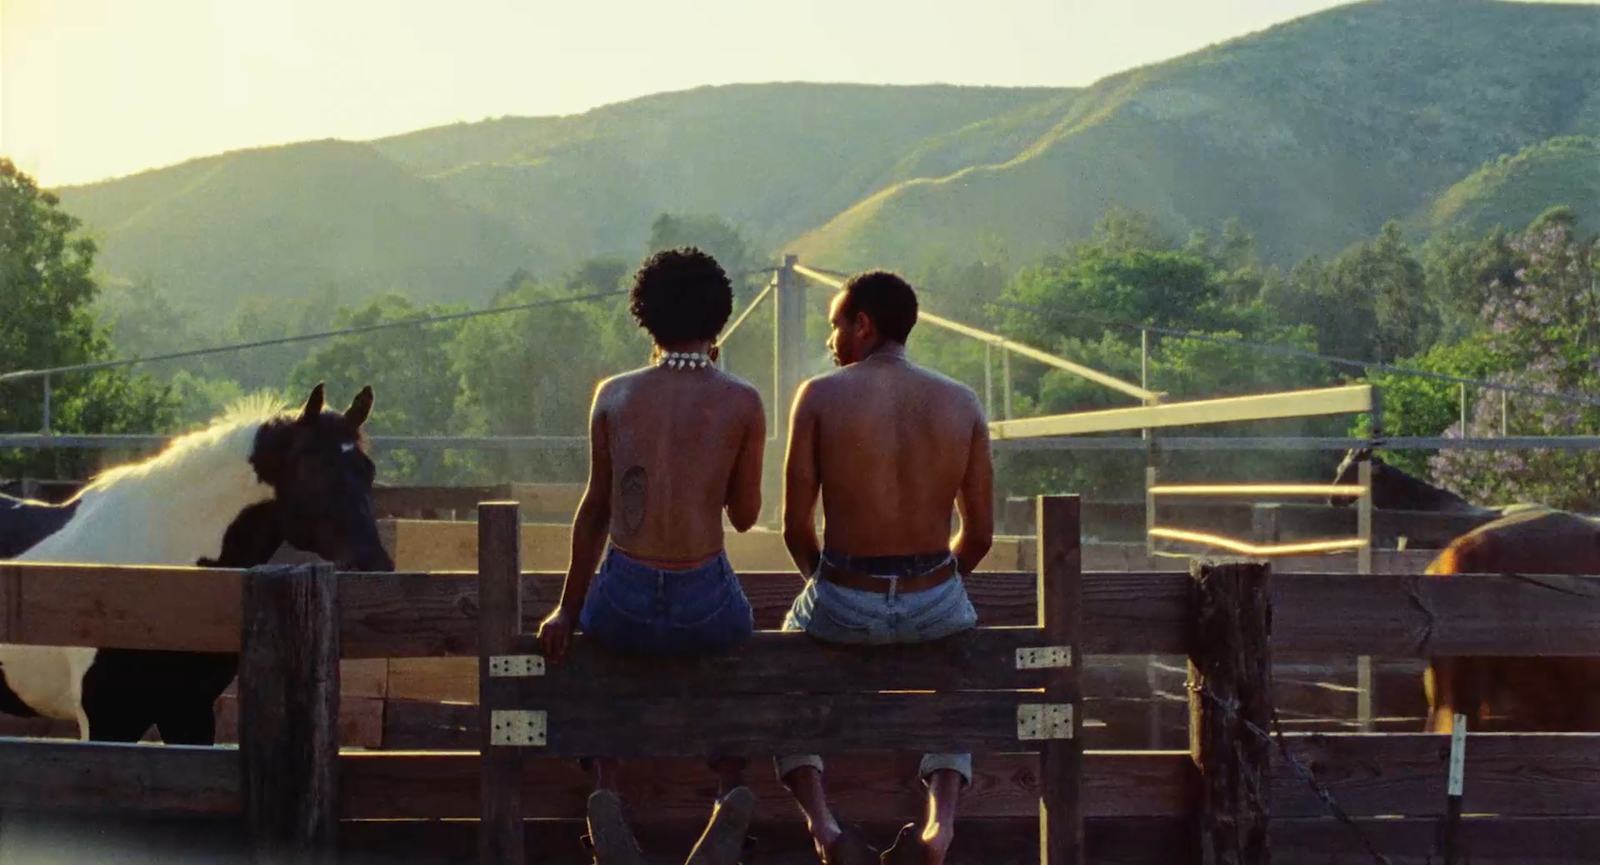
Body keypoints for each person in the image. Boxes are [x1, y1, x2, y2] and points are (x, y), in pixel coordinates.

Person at [536, 247, 767, 865]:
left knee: (598, 654)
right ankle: (727, 791)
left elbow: (595, 510)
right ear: (720, 318)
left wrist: (566, 610)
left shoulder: (613, 395)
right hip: (705, 604)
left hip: (625, 602)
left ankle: (607, 789)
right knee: (736, 644)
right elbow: (746, 516)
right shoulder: (742, 401)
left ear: (645, 317)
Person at [776, 270, 993, 865]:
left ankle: (825, 829)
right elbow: (979, 536)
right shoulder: (962, 402)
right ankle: (938, 831)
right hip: (934, 598)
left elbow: (796, 528)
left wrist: (839, 588)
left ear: (863, 325)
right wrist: (928, 587)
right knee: (953, 686)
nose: (830, 341)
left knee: (780, 676)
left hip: (844, 597)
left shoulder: (818, 396)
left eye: (835, 326)